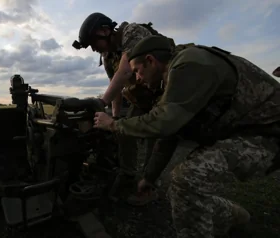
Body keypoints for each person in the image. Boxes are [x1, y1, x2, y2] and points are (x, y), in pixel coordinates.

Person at [93, 35, 280, 237]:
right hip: (245, 131)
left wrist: (113, 123)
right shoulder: (173, 79)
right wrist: (149, 177)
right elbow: (170, 134)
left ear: (150, 61)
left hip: (268, 133)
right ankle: (234, 216)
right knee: (180, 190)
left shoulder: (188, 63)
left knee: (187, 179)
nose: (137, 78)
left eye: (137, 71)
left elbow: (163, 124)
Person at [73, 12, 175, 205]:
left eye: (94, 42)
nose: (94, 48)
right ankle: (128, 175)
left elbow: (125, 70)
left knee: (155, 138)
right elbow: (117, 87)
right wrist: (115, 118)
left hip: (165, 93)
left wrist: (100, 103)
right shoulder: (107, 56)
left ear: (105, 30)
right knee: (124, 131)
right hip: (143, 98)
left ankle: (148, 186)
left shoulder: (132, 32)